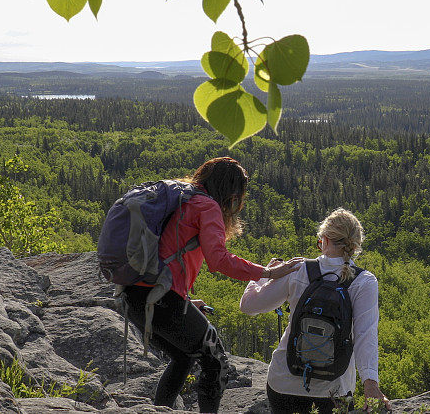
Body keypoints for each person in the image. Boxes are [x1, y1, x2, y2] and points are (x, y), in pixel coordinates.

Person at [121, 157, 301, 413]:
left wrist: (182, 300)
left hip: (134, 295)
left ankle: (159, 410)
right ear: (230, 192)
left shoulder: (182, 199)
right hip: (159, 298)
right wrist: (268, 273)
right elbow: (219, 260)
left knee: (184, 357)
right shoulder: (207, 207)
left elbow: (164, 255)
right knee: (216, 361)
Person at [240, 208, 390, 414]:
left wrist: (264, 274)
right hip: (335, 389)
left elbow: (249, 306)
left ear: (325, 240)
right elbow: (366, 336)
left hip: (284, 382)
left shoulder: (297, 269)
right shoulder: (364, 282)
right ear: (355, 246)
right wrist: (370, 385)